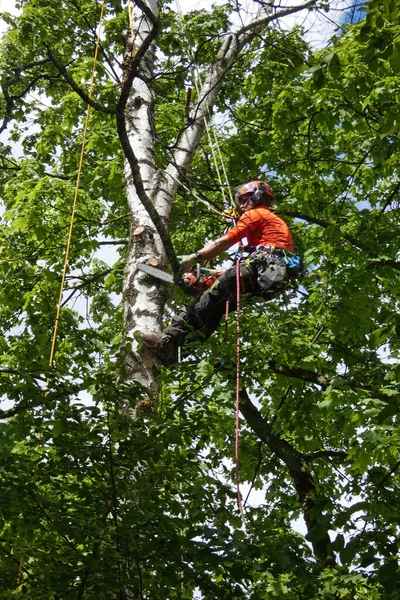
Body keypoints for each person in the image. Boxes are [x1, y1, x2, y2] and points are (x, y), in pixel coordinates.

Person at [141, 180, 299, 365]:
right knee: (214, 309)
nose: (241, 205)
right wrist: (210, 274)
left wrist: (195, 257)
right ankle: (175, 355)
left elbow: (225, 242)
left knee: (207, 298)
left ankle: (167, 339)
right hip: (269, 279)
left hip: (265, 270)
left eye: (245, 199)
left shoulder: (257, 214)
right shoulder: (270, 228)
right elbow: (244, 267)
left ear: (257, 196)